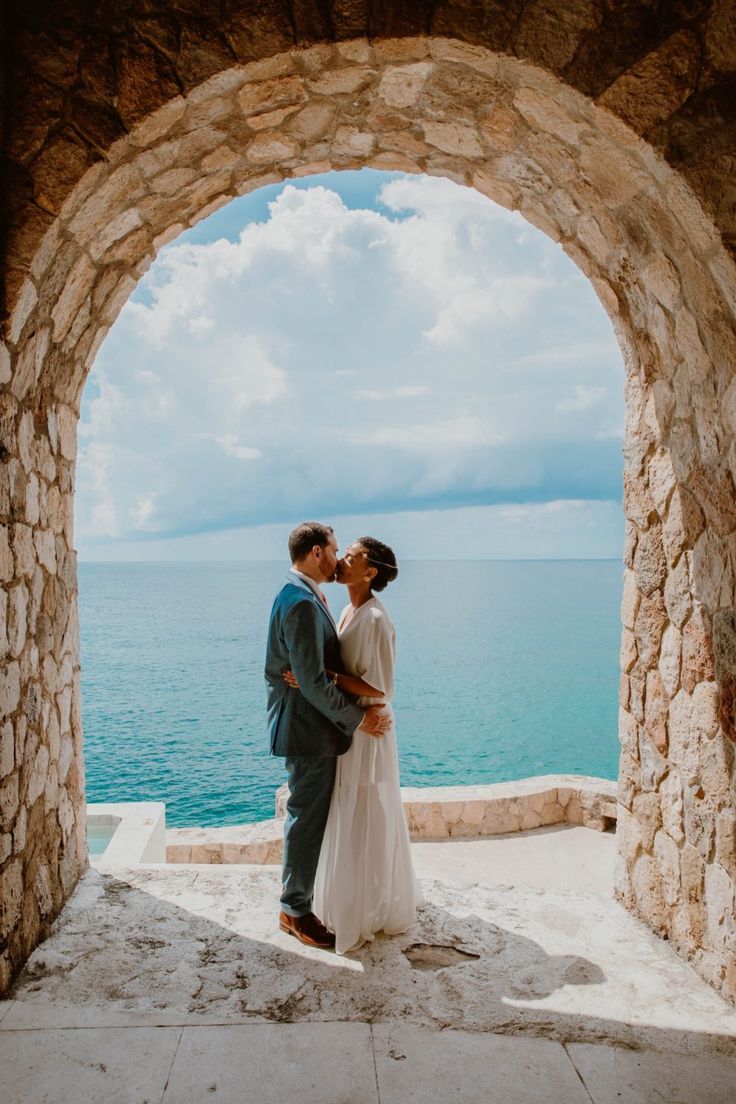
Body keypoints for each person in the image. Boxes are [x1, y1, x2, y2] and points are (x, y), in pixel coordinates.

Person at [284, 537, 423, 954]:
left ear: (370, 572)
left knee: (366, 814)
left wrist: (323, 676)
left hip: (370, 730)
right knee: (350, 814)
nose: (342, 558)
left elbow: (380, 686)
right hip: (354, 730)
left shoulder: (375, 619)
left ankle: (366, 906)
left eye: (352, 556)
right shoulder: (347, 609)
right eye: (341, 551)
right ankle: (347, 900)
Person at [265, 521, 391, 950]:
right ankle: (294, 910)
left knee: (310, 817)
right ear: (318, 552)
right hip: (307, 731)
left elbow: (313, 673)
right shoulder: (300, 601)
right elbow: (314, 682)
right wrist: (357, 721)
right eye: (335, 550)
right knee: (305, 818)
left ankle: (298, 901)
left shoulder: (304, 594)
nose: (338, 559)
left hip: (312, 727)